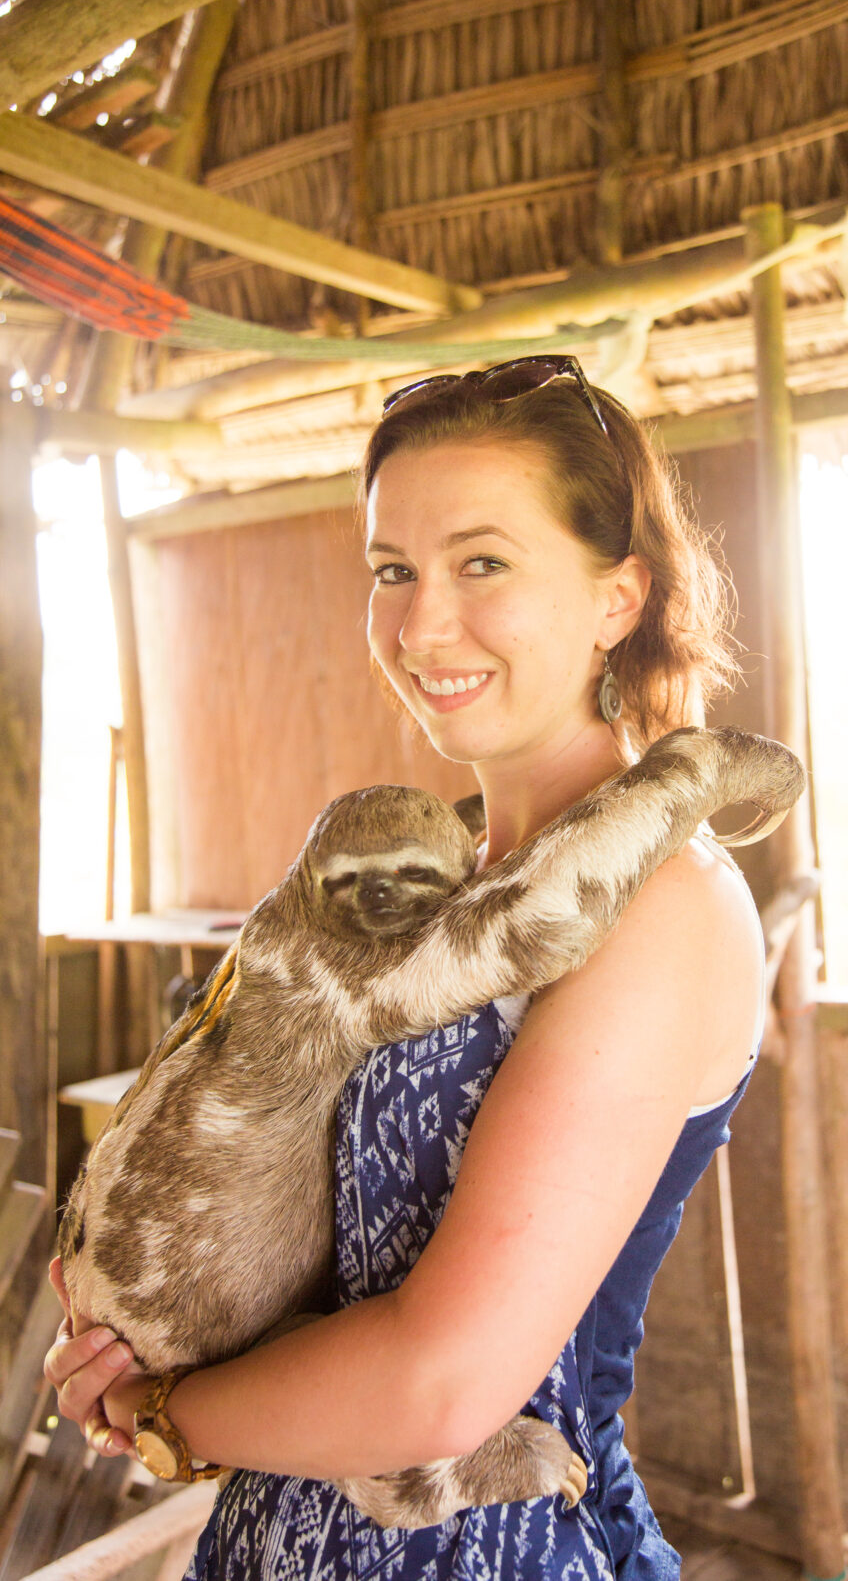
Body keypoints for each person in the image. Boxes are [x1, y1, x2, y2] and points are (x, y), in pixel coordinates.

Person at [45, 357, 767, 1579]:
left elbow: (441, 1381)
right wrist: (145, 1325)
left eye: (483, 563)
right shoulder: (427, 868)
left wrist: (163, 1414)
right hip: (279, 1537)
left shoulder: (664, 909)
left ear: (616, 595)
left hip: (493, 1545)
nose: (422, 625)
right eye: (393, 571)